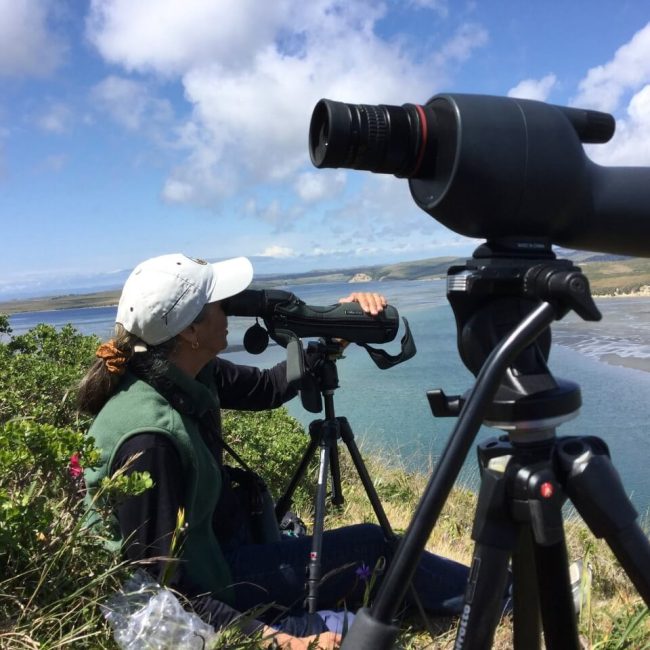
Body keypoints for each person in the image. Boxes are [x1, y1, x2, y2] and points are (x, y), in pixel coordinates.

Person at [79, 253, 469, 649]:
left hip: (219, 549)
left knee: (344, 555)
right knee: (373, 545)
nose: (228, 310)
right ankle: (498, 597)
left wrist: (338, 329)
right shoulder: (149, 438)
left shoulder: (176, 373)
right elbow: (164, 589)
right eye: (218, 303)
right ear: (188, 332)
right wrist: (274, 639)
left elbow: (267, 387)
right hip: (212, 585)